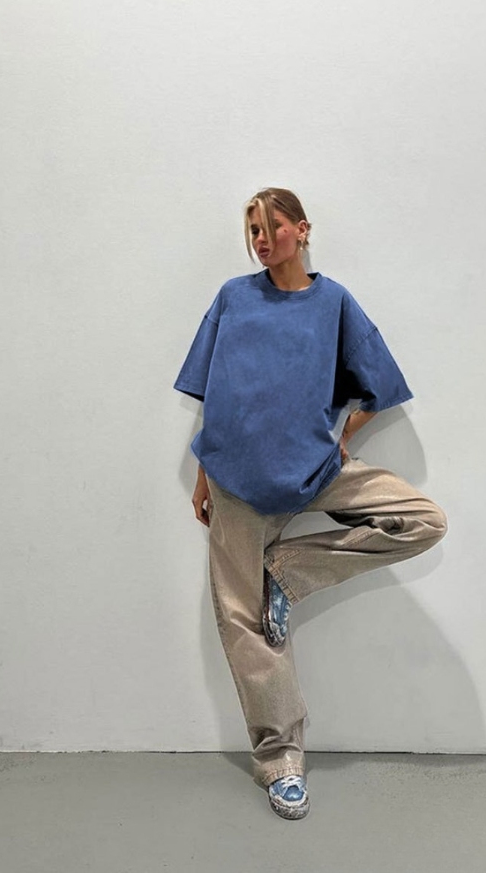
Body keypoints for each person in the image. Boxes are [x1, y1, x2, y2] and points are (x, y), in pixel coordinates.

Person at [174, 188, 447, 820]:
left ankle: (287, 575)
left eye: (271, 227)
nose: (260, 240)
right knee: (241, 622)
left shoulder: (333, 302)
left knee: (422, 520)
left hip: (315, 468)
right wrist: (204, 474)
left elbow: (379, 385)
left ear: (302, 229)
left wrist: (345, 432)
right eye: (252, 230)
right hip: (238, 479)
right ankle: (282, 762)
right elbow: (214, 393)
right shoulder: (233, 298)